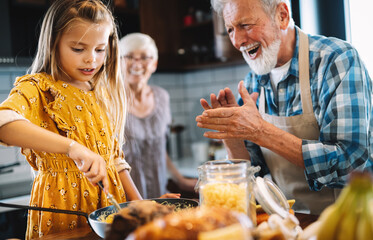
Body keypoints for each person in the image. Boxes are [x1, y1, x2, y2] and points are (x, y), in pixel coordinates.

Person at [196, 0, 373, 214]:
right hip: (288, 221)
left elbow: (351, 165)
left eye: (246, 25)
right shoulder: (253, 81)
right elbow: (253, 173)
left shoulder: (337, 60)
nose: (238, 40)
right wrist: (233, 138)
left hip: (349, 220)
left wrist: (260, 131)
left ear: (282, 15)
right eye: (230, 30)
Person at [0, 0, 144, 238]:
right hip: (62, 213)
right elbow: (4, 123)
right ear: (53, 44)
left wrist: (140, 203)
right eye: (78, 49)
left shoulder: (99, 91)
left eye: (100, 50)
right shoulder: (39, 88)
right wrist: (72, 147)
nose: (91, 59)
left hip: (109, 211)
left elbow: (113, 159)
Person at [118, 33, 197, 199]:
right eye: (129, 56)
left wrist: (180, 180)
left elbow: (159, 149)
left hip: (160, 192)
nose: (137, 63)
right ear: (118, 62)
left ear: (154, 64)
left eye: (145, 57)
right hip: (125, 199)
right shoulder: (110, 101)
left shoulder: (162, 96)